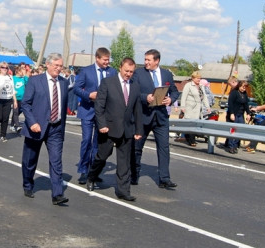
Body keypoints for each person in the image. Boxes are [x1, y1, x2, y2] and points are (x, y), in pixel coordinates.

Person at [86, 58, 143, 201]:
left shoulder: (135, 86)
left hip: (127, 129)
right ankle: (92, 176)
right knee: (102, 156)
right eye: (126, 71)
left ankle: (123, 191)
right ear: (120, 68)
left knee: (124, 162)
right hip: (109, 128)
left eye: (131, 72)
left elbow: (137, 109)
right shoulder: (108, 83)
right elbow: (99, 106)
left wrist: (139, 130)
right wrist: (102, 124)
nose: (128, 74)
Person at [21, 53, 69, 206]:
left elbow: (63, 105)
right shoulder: (35, 81)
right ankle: (28, 184)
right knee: (30, 160)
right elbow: (26, 104)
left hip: (55, 128)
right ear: (47, 65)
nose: (58, 68)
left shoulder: (63, 82)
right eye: (56, 65)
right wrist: (32, 122)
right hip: (37, 127)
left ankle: (57, 194)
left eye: (60, 66)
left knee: (56, 161)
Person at [131, 49, 180, 188]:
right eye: (145, 59)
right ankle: (134, 175)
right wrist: (145, 97)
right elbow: (133, 92)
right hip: (144, 116)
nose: (146, 62)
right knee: (137, 148)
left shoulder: (167, 74)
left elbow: (175, 91)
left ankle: (164, 178)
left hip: (161, 117)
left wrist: (170, 99)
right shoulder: (139, 73)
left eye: (148, 60)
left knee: (164, 148)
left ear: (157, 61)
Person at [74, 47, 117, 184]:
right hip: (88, 110)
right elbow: (76, 88)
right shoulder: (86, 71)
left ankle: (94, 171)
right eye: (104, 60)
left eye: (108, 60)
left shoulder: (112, 72)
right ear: (97, 58)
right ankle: (83, 170)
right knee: (86, 140)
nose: (107, 62)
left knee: (98, 144)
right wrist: (88, 95)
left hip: (103, 114)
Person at [180, 71, 211, 147]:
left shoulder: (201, 86)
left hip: (198, 109)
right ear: (193, 78)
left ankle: (190, 138)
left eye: (200, 78)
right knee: (190, 124)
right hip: (190, 108)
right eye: (197, 78)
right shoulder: (188, 85)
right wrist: (183, 107)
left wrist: (207, 107)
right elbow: (183, 96)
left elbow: (204, 97)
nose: (199, 80)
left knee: (195, 125)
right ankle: (191, 140)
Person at [226, 80, 251, 154]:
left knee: (240, 130)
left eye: (245, 87)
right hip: (234, 114)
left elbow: (246, 104)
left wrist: (248, 114)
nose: (244, 89)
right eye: (243, 87)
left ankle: (235, 145)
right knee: (233, 130)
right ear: (239, 86)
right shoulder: (234, 93)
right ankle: (231, 146)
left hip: (241, 115)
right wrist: (232, 113)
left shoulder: (244, 94)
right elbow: (230, 104)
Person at [11, 65, 28, 132]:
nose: (22, 72)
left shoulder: (23, 78)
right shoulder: (13, 78)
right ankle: (17, 126)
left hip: (22, 98)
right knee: (15, 111)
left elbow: (28, 83)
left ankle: (12, 124)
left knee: (18, 112)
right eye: (21, 71)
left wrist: (25, 75)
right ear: (17, 71)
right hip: (15, 98)